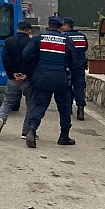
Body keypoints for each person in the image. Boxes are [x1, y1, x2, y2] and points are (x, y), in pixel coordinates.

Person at [22, 16, 77, 148]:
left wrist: (36, 64)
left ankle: (32, 130)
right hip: (61, 79)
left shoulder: (38, 38)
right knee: (64, 108)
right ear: (61, 27)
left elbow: (26, 54)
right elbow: (74, 60)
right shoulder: (66, 40)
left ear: (48, 25)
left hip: (41, 78)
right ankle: (64, 136)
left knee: (40, 105)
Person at [0, 21, 36, 139]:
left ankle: (1, 118)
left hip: (12, 78)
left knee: (8, 101)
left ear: (18, 29)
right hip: (27, 80)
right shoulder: (32, 43)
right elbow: (34, 61)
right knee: (31, 104)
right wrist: (26, 74)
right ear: (29, 31)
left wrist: (13, 74)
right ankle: (26, 132)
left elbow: (5, 59)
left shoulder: (9, 41)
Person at [62, 17, 88, 121]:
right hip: (80, 66)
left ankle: (68, 108)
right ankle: (80, 110)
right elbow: (85, 48)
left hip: (68, 66)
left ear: (67, 26)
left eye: (63, 25)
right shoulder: (82, 36)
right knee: (79, 87)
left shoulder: (64, 37)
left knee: (67, 87)